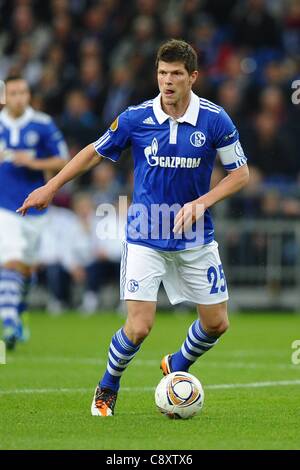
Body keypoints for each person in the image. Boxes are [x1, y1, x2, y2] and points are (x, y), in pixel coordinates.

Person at [17, 40, 249, 416]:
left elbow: (241, 175)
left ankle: (176, 364)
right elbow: (93, 152)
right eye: (162, 73)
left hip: (195, 236)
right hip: (146, 235)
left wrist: (201, 202)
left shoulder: (215, 119)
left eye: (176, 74)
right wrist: (51, 186)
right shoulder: (136, 118)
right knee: (139, 327)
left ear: (192, 77)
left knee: (217, 323)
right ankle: (108, 385)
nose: (167, 81)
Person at [0, 75, 69, 349]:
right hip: (4, 206)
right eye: (14, 93)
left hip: (34, 208)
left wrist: (34, 162)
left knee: (26, 268)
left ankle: (18, 311)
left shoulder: (42, 124)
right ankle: (8, 322)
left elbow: (63, 159)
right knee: (12, 259)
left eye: (23, 92)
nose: (19, 97)